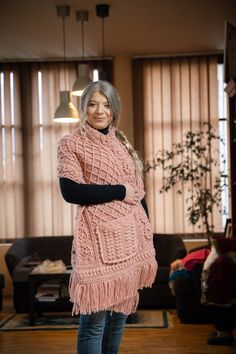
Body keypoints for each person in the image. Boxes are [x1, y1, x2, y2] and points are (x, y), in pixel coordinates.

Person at [57, 80, 158, 354]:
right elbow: (71, 191)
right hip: (98, 244)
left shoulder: (121, 143)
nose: (100, 111)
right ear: (84, 108)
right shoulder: (71, 143)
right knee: (95, 321)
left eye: (106, 105)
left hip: (131, 240)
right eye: (92, 104)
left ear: (114, 110)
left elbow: (137, 193)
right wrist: (119, 190)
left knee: (119, 317)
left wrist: (147, 234)